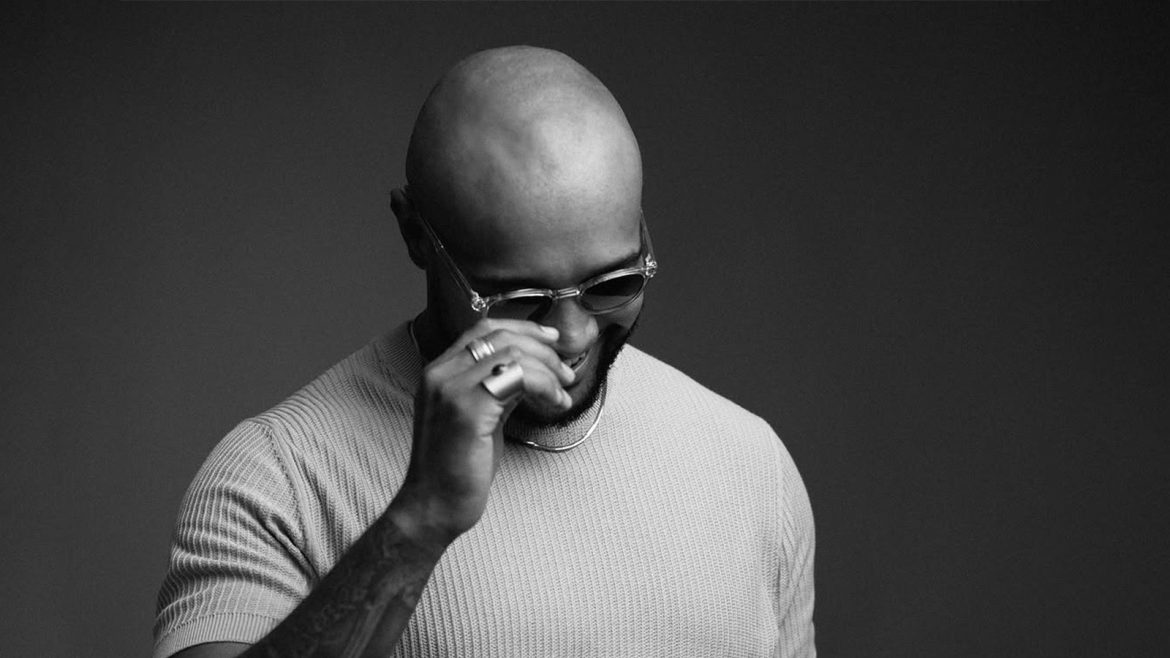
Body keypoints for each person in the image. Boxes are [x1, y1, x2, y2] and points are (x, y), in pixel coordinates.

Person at [153, 46, 816, 658]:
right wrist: (419, 520)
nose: (574, 334)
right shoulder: (277, 479)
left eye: (613, 283)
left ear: (641, 234)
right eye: (520, 297)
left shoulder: (751, 464)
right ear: (416, 234)